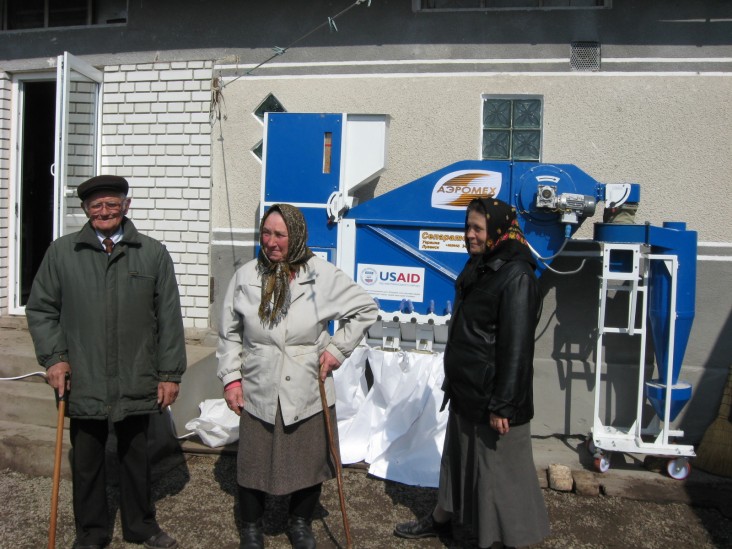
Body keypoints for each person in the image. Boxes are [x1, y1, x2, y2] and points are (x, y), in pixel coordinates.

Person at [26, 175, 186, 549]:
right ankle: (92, 531)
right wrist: (54, 359)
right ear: (85, 210)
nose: (104, 212)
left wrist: (169, 373)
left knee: (135, 457)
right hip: (83, 376)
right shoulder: (63, 252)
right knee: (87, 461)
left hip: (136, 374)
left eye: (111, 204)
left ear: (125, 207)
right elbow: (42, 309)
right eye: (96, 205)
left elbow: (169, 317)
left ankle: (141, 526)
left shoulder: (152, 253)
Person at [217, 203, 377, 549]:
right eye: (266, 233)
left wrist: (336, 350)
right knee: (254, 462)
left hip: (307, 385)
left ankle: (300, 521)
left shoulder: (321, 275)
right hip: (259, 384)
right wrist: (231, 378)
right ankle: (251, 527)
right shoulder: (246, 276)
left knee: (309, 459)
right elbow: (229, 332)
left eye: (279, 235)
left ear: (297, 236)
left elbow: (365, 308)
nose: (271, 242)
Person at [394, 197, 550, 548]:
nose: (470, 234)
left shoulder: (517, 275)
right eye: (468, 227)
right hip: (468, 390)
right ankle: (443, 519)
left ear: (497, 229)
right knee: (457, 464)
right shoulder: (482, 264)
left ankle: (501, 540)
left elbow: (517, 348)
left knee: (498, 480)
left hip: (493, 400)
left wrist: (503, 405)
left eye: (478, 228)